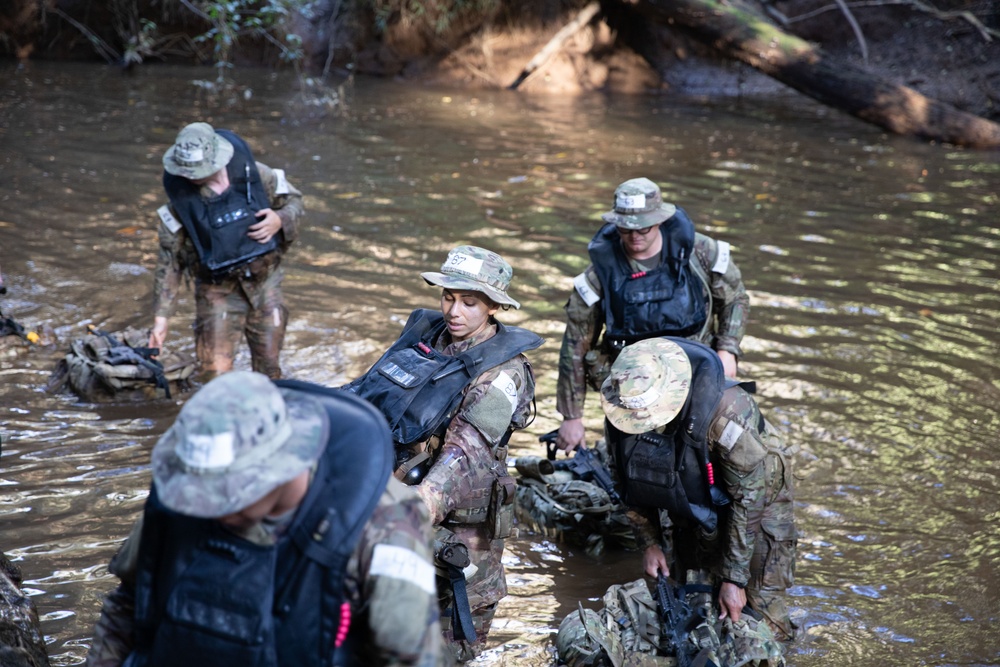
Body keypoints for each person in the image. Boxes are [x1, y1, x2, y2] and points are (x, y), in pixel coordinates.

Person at [85, 371, 443, 667]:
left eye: (225, 492)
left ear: (282, 466)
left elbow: (409, 658)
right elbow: (127, 606)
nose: (205, 505)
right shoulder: (184, 491)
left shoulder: (385, 525)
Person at [344, 245, 542, 662]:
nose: (454, 311)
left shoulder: (503, 374)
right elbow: (365, 396)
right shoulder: (426, 338)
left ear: (493, 307)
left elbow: (465, 452)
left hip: (459, 548)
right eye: (448, 297)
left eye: (469, 302)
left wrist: (413, 510)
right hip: (397, 513)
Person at [600, 337, 797, 644]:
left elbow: (749, 497)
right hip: (691, 499)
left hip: (757, 502)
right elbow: (626, 482)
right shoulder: (624, 403)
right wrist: (650, 543)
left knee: (760, 616)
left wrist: (734, 579)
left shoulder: (728, 409)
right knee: (689, 608)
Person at [556, 177, 749, 452]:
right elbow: (575, 344)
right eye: (625, 229)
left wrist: (728, 349)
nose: (635, 236)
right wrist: (572, 417)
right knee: (640, 464)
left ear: (659, 221)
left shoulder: (700, 252)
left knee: (724, 446)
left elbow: (735, 299)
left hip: (698, 370)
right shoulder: (600, 273)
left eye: (644, 228)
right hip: (632, 386)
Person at [149, 122, 305, 379]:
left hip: (265, 282)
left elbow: (294, 201)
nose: (190, 176)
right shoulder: (180, 202)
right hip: (216, 289)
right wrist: (161, 318)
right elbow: (170, 261)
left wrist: (280, 219)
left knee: (269, 368)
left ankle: (267, 415)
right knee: (215, 374)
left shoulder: (256, 175)